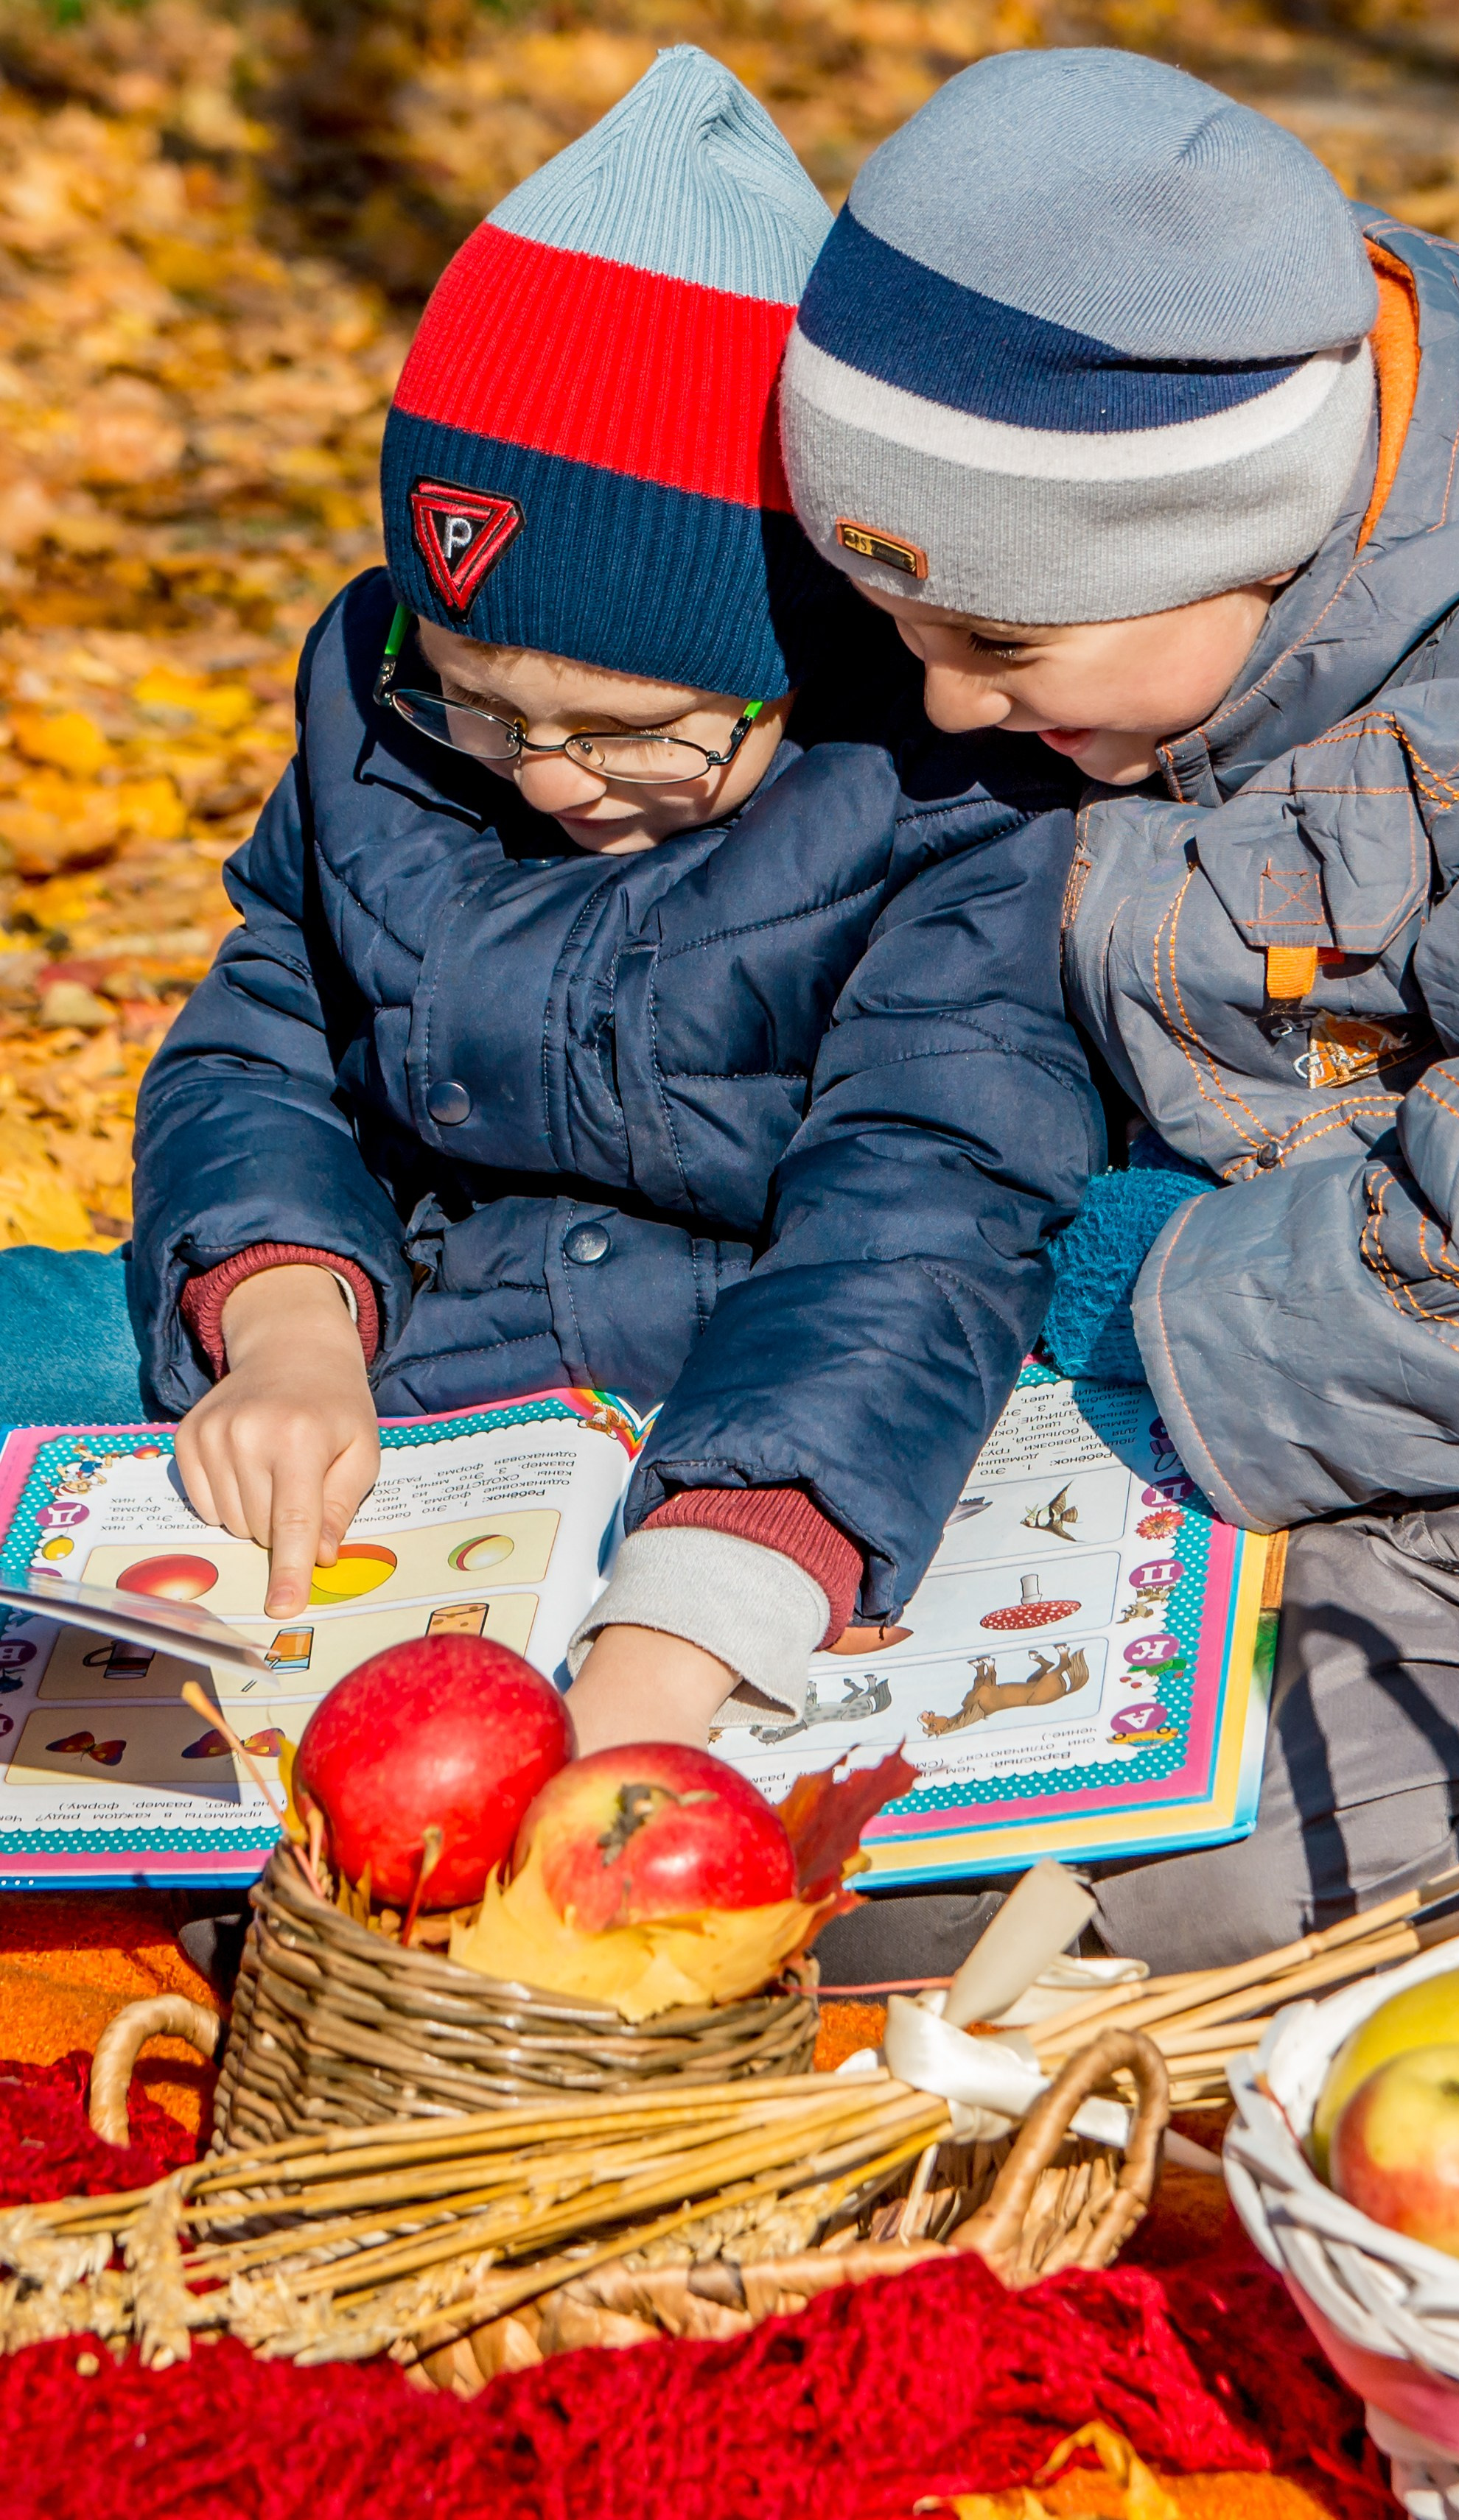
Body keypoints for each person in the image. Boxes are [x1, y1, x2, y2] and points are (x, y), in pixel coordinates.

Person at [778, 46, 1459, 1971]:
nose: (946, 709)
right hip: (1287, 1397)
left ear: (1238, 541)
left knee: (1328, 1895)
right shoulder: (1189, 615)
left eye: (999, 647)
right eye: (908, 640)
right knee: (892, 1843)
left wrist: (1157, 1324)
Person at [114, 47, 1099, 1761]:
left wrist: (711, 1594)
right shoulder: (383, 708)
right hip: (417, 1362)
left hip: (767, 1410)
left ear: (801, 645)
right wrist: (280, 1312)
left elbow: (920, 1197)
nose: (554, 778)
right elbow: (261, 1033)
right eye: (481, 707)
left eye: (637, 734)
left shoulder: (944, 795)